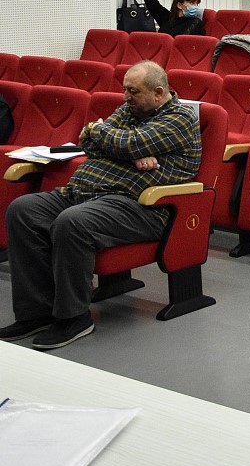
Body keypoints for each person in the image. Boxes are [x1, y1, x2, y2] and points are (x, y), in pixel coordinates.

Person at [0, 61, 201, 349]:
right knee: (23, 211)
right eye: (125, 90)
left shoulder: (180, 118)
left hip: (140, 206)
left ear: (158, 93)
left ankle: (75, 318)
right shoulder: (130, 109)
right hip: (85, 192)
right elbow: (87, 141)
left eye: (133, 91)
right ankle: (37, 312)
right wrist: (124, 148)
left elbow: (126, 143)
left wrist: (113, 140)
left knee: (73, 222)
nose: (126, 97)